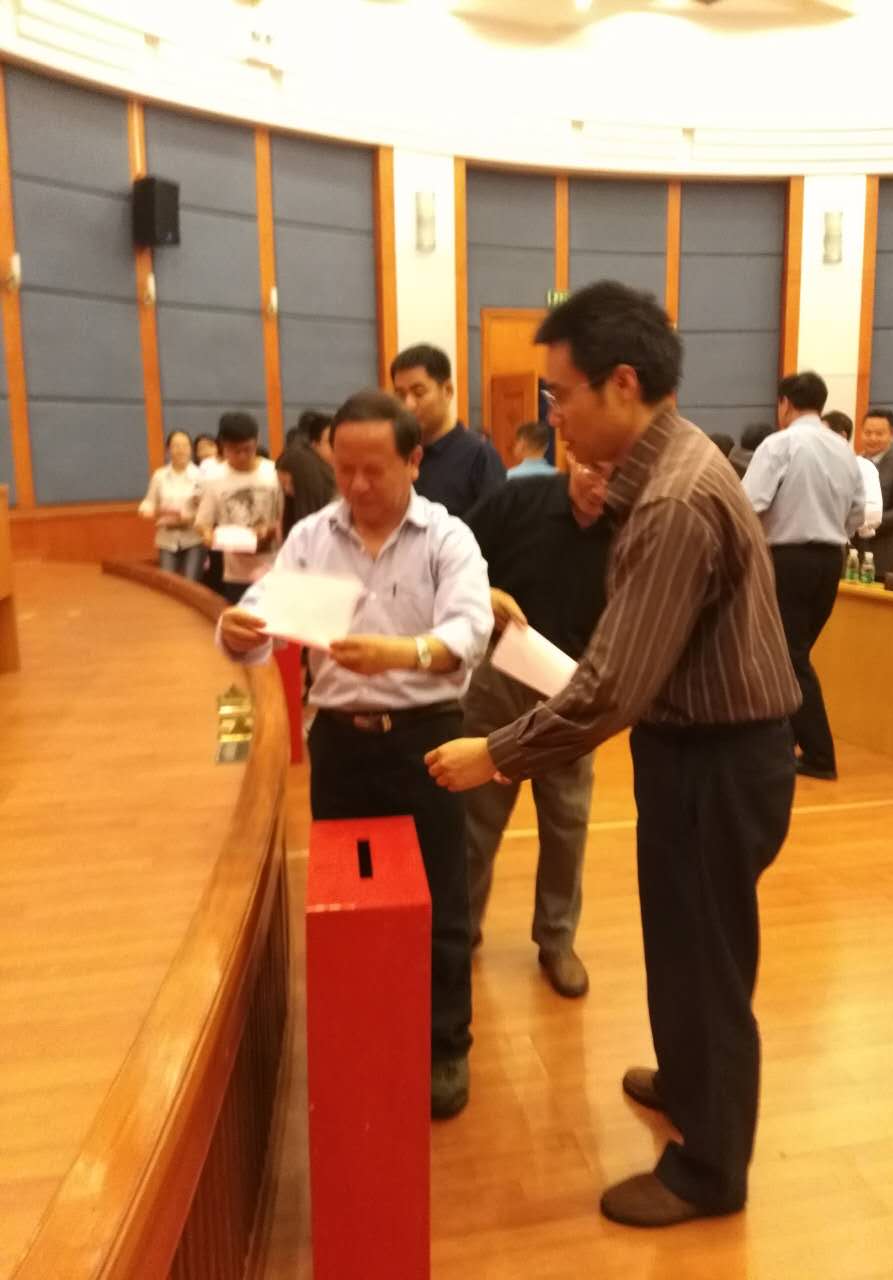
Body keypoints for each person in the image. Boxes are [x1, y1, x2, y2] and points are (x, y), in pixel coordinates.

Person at [425, 281, 800, 1229]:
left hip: (720, 759)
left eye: (562, 395)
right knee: (681, 941)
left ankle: (710, 1171)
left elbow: (610, 689)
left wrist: (495, 753)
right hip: (694, 749)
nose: (553, 416)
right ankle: (688, 1081)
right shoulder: (673, 463)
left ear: (623, 384)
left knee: (707, 961)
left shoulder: (672, 500)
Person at [216, 391, 493, 1119]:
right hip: (340, 742)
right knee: (346, 901)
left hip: (429, 739)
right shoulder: (313, 536)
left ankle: (445, 1045)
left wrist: (399, 653)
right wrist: (240, 628)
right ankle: (363, 1028)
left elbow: (470, 631)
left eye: (375, 469)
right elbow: (267, 611)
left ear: (414, 460)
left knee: (440, 898)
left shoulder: (447, 538)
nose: (358, 485)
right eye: (345, 469)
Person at [463, 453, 613, 997]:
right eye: (593, 470)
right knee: (476, 816)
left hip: (574, 690)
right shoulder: (517, 499)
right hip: (500, 675)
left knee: (567, 820)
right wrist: (484, 595)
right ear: (572, 455)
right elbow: (455, 563)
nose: (602, 486)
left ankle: (557, 939)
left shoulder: (632, 526)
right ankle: (462, 927)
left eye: (616, 475)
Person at [743, 374, 865, 781]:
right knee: (793, 653)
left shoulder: (780, 444)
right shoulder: (845, 450)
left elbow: (749, 504)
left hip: (788, 558)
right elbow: (858, 514)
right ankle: (786, 740)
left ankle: (819, 753)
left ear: (785, 403)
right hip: (831, 559)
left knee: (788, 657)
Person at [392, 343, 505, 515]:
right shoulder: (398, 454)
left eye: (419, 393)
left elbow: (499, 524)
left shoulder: (479, 456)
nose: (408, 405)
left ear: (448, 391)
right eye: (400, 395)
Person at [194, 412, 283, 604]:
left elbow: (287, 517)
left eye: (247, 449)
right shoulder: (214, 478)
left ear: (256, 441)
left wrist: (269, 530)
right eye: (234, 451)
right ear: (223, 446)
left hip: (274, 568)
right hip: (236, 574)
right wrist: (209, 537)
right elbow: (202, 524)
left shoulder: (274, 472)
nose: (242, 456)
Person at [851, 409, 893, 581]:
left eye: (879, 433)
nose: (872, 438)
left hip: (881, 553)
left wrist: (871, 522)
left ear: (892, 435)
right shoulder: (852, 463)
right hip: (850, 550)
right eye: (868, 433)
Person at [138, 429, 205, 581]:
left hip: (193, 537)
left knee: (190, 584)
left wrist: (191, 517)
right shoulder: (159, 475)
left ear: (191, 449)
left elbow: (208, 508)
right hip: (166, 537)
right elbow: (149, 501)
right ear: (168, 450)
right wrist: (146, 510)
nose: (181, 450)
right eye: (176, 446)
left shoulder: (200, 475)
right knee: (168, 583)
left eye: (185, 445)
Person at [823, 410, 883, 539]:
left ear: (842, 436)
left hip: (850, 540)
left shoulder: (862, 466)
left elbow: (874, 513)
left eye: (823, 435)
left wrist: (831, 516)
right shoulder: (817, 466)